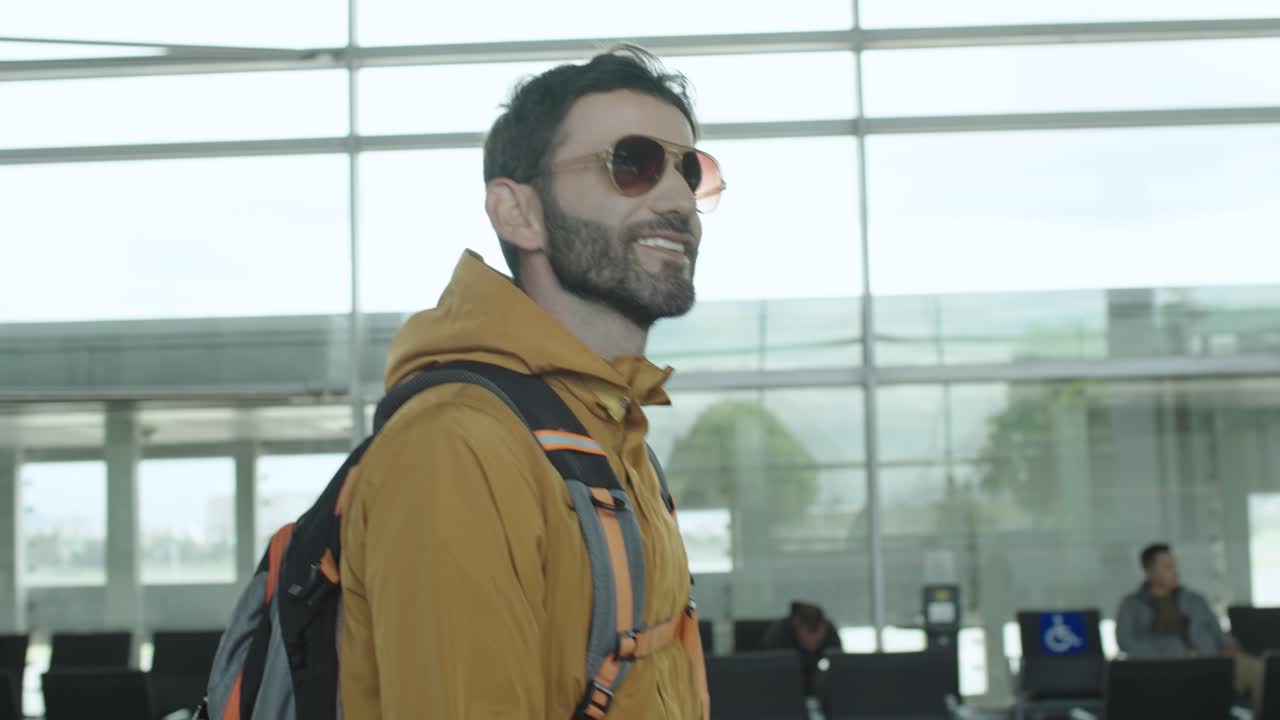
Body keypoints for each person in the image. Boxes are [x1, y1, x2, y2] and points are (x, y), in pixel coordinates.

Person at [336, 46, 722, 719]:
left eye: (691, 171)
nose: (678, 199)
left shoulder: (606, 433)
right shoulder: (458, 447)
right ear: (519, 213)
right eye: (632, 163)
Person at [1116, 543, 1262, 708]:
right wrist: (1168, 652)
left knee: (1261, 672)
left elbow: (1217, 630)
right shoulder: (1132, 605)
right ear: (1150, 573)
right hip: (1169, 669)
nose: (1175, 571)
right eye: (1167, 567)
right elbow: (1126, 642)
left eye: (1174, 565)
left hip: (1211, 659)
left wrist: (1229, 643)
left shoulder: (1194, 599)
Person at [760, 601, 844, 697]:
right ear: (797, 628)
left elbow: (839, 664)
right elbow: (773, 673)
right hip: (782, 690)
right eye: (808, 638)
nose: (813, 643)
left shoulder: (830, 631)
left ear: (824, 628)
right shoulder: (777, 637)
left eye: (817, 639)